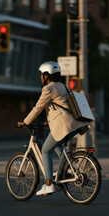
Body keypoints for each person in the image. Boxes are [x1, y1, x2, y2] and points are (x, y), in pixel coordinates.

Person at [18, 61, 88, 196]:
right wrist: (47, 123)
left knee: (45, 150)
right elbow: (60, 108)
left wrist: (26, 122)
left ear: (46, 75)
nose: (40, 78)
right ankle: (63, 173)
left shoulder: (48, 89)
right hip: (75, 124)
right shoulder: (63, 87)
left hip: (64, 126)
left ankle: (49, 184)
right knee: (58, 147)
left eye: (41, 75)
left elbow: (38, 108)